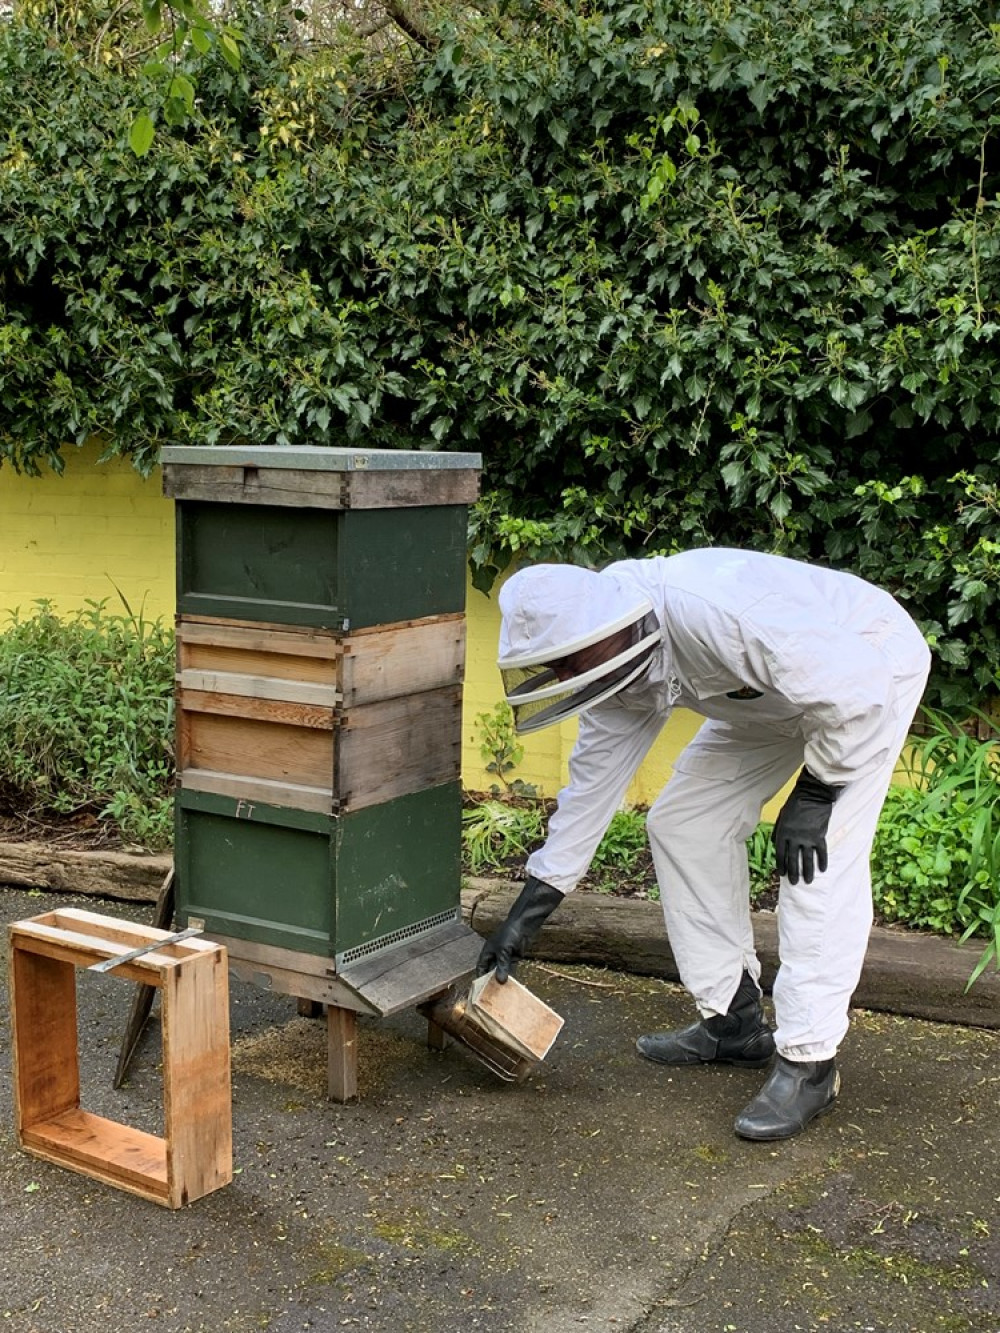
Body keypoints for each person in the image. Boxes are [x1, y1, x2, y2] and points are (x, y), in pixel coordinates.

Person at [476, 548, 930, 1141]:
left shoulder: (717, 611)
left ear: (607, 631)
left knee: (818, 860)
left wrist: (816, 794)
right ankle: (733, 1020)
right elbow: (589, 796)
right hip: (773, 697)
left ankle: (810, 1062)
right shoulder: (606, 664)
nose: (565, 678)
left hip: (867, 667)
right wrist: (525, 916)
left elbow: (855, 689)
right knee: (684, 823)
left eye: (569, 662)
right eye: (554, 667)